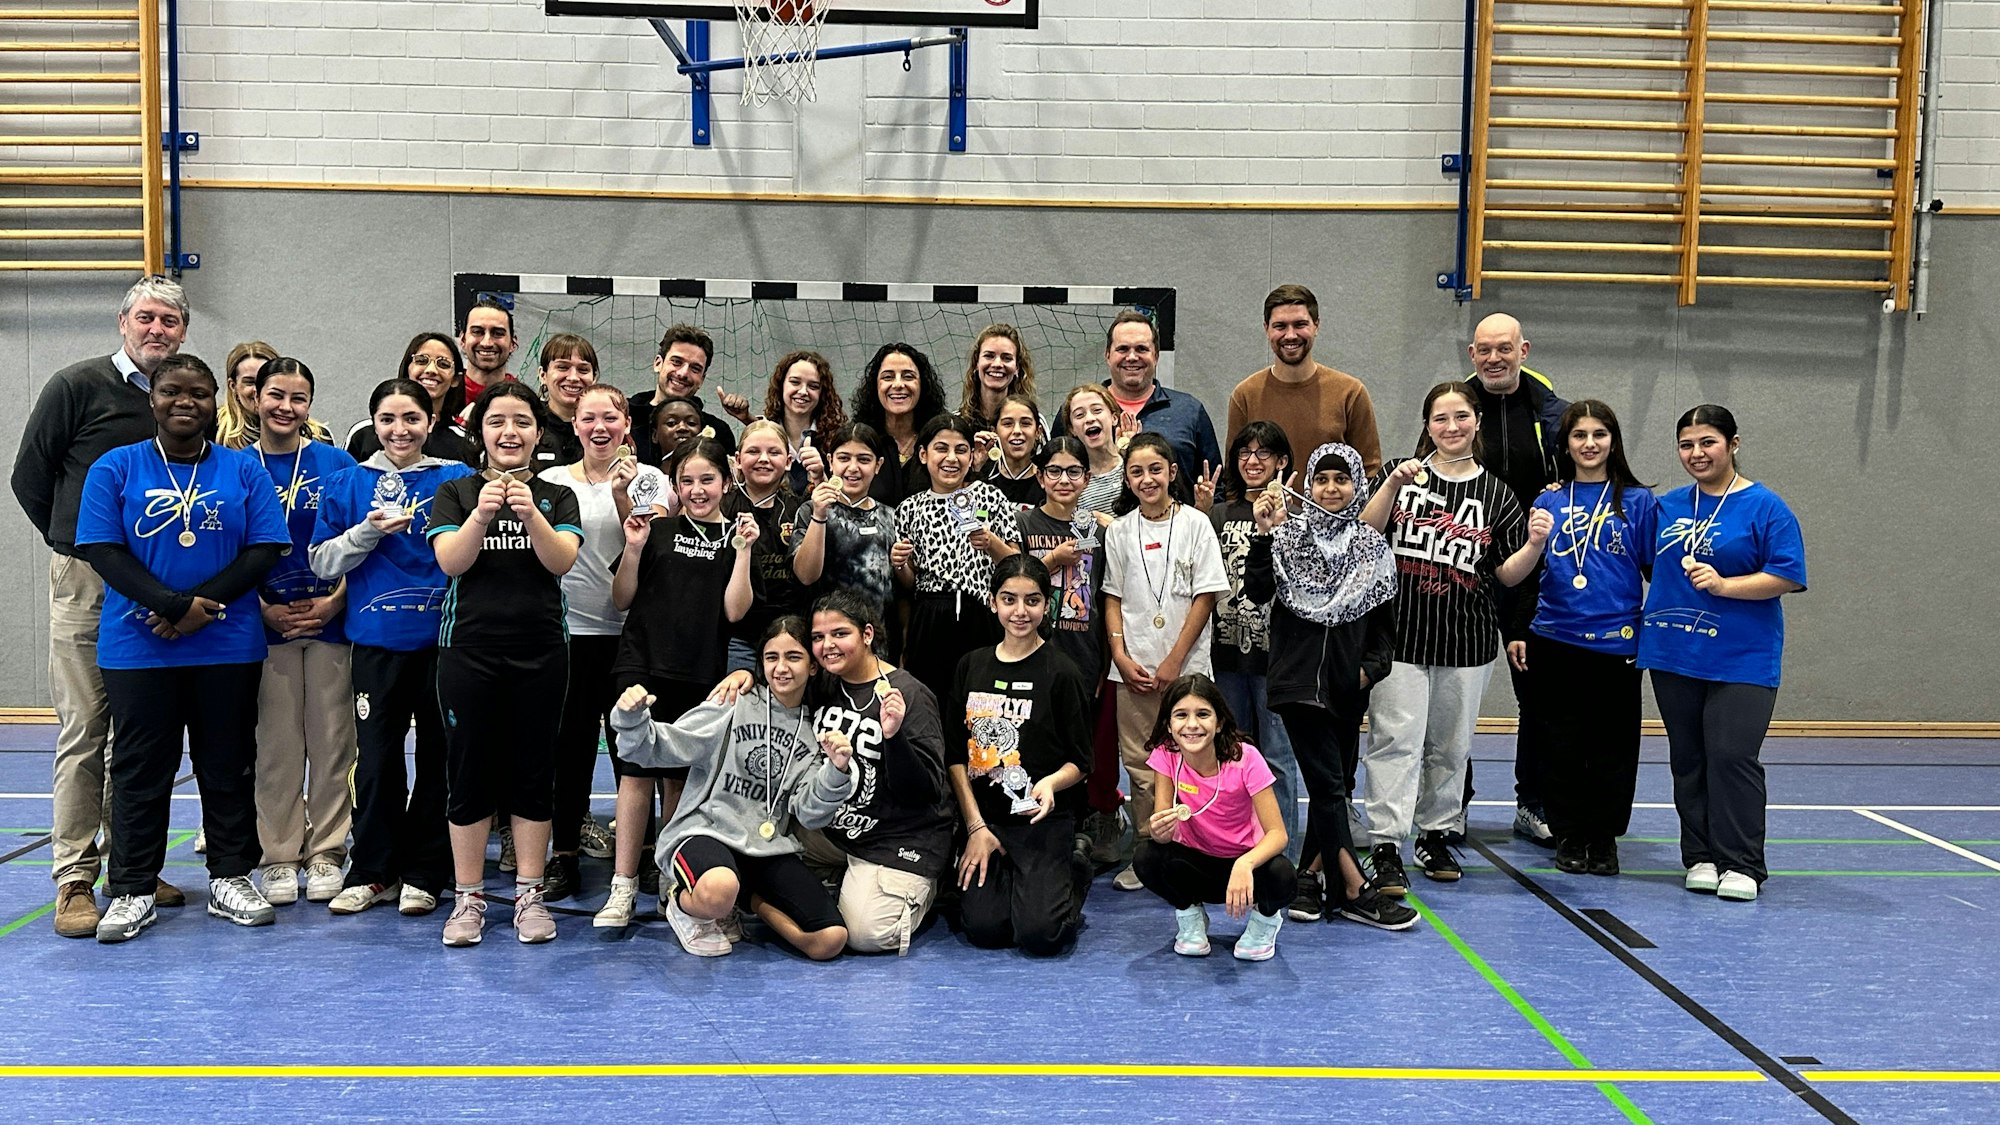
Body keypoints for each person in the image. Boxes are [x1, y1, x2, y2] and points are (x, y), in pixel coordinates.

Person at [73, 354, 291, 942]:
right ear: (153, 397)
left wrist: (198, 609)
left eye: (198, 392)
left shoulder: (243, 470)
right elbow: (103, 549)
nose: (184, 401)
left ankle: (229, 876)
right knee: (143, 768)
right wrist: (173, 608)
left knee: (227, 763)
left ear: (215, 399)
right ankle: (133, 887)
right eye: (172, 391)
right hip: (139, 645)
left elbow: (265, 548)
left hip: (226, 643)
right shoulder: (116, 467)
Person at [12, 274, 190, 936]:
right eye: (146, 318)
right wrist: (73, 545)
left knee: (139, 732)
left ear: (182, 332)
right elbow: (31, 478)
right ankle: (74, 878)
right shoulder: (75, 385)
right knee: (86, 727)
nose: (156, 331)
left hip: (157, 583)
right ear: (123, 323)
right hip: (88, 579)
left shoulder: (180, 396)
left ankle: (132, 869)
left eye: (169, 322)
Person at [1359, 383, 1543, 890]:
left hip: (1468, 642)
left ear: (1476, 421)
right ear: (1427, 425)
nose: (1451, 427)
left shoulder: (1497, 493)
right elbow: (1366, 534)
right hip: (1401, 637)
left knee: (1450, 745)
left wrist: (1533, 544)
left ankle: (1436, 832)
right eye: (1440, 419)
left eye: (1461, 417)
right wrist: (1391, 486)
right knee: (1395, 741)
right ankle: (1385, 842)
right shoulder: (1404, 474)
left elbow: (1507, 574)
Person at [428, 382, 584, 947]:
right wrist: (482, 514)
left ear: (538, 434)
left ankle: (529, 893)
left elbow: (560, 559)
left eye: (522, 422)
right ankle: (468, 897)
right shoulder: (455, 491)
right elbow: (451, 561)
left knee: (532, 774)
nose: (510, 432)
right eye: (497, 422)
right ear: (481, 434)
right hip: (468, 652)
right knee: (468, 773)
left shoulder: (557, 495)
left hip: (541, 652)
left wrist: (527, 511)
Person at [310, 378, 472, 918]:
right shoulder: (346, 484)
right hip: (376, 647)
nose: (399, 430)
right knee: (376, 760)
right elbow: (322, 562)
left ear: (430, 423)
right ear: (373, 424)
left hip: (443, 646)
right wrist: (367, 532)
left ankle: (426, 870)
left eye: (411, 419)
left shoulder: (456, 480)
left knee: (438, 759)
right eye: (388, 419)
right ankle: (373, 869)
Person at [610, 617, 857, 960]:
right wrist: (632, 719)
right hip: (706, 832)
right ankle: (682, 906)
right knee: (718, 891)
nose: (781, 668)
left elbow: (810, 814)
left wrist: (836, 770)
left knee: (830, 939)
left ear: (813, 667)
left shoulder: (813, 732)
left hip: (766, 847)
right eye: (772, 658)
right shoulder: (733, 702)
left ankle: (746, 900)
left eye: (793, 657)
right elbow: (660, 747)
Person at [1244, 442, 1415, 931]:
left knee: (1332, 786)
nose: (1332, 489)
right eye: (1322, 480)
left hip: (1346, 690)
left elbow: (1384, 628)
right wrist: (1264, 535)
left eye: (1342, 480)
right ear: (1309, 485)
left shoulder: (1370, 546)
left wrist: (1367, 672)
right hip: (1297, 687)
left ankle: (1309, 880)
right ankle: (1355, 889)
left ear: (1357, 486)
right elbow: (1257, 592)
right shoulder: (1288, 537)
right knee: (1329, 784)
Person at [1639, 405, 1805, 903]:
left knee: (1732, 756)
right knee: (1688, 759)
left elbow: (1788, 575)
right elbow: (1642, 558)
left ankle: (1743, 863)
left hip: (1743, 657)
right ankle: (1702, 856)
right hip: (1673, 652)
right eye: (1686, 445)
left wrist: (1726, 585)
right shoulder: (1666, 506)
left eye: (1707, 442)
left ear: (1733, 443)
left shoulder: (1765, 507)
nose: (1696, 453)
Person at [595, 436, 757, 928]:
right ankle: (622, 888)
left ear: (726, 483)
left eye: (707, 480)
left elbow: (735, 611)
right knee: (635, 775)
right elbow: (622, 599)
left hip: (700, 675)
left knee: (679, 782)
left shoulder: (736, 537)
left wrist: (745, 552)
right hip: (640, 666)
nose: (697, 489)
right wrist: (634, 547)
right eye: (686, 481)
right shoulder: (657, 531)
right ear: (673, 486)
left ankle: (670, 880)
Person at [1518, 401, 1658, 877]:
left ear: (1613, 441)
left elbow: (1655, 572)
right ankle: (1569, 834)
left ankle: (1604, 837)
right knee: (1560, 744)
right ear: (1567, 444)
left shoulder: (1638, 503)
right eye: (1580, 435)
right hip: (1554, 639)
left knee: (1612, 747)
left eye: (1600, 434)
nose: (1590, 443)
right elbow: (1528, 572)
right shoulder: (1548, 500)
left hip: (1615, 643)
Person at [539, 384, 668, 900]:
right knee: (567, 751)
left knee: (631, 753)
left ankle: (639, 856)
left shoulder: (651, 479)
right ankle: (564, 854)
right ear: (574, 424)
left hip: (629, 637)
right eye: (588, 417)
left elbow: (654, 549)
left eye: (610, 418)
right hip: (567, 633)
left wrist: (622, 497)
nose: (599, 427)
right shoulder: (549, 481)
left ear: (626, 426)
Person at [246, 357, 358, 907]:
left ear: (310, 405)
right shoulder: (235, 466)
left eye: (298, 398)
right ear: (254, 397)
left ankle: (328, 850)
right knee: (278, 746)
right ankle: (280, 855)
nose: (286, 408)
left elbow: (362, 541)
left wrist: (339, 598)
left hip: (332, 620)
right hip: (267, 624)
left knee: (334, 740)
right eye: (276, 395)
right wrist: (261, 607)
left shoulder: (337, 465)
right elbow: (228, 551)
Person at [948, 554, 1094, 956]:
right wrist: (975, 827)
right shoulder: (970, 666)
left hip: (1040, 820)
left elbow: (1081, 762)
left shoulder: (1063, 672)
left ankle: (1075, 868)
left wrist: (1050, 783)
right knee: (984, 930)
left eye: (1032, 600)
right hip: (986, 821)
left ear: (1047, 605)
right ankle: (1013, 878)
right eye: (1009, 599)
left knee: (1039, 935)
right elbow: (955, 757)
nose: (1020, 611)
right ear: (993, 602)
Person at [1464, 312, 1572, 847]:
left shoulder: (1551, 410)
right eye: (1484, 349)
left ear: (1523, 350)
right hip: (1467, 575)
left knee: (1541, 699)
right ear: (1472, 354)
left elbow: (1585, 471)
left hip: (1536, 575)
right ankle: (1449, 804)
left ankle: (1534, 803)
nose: (1494, 358)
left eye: (1503, 348)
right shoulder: (1455, 407)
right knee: (1454, 696)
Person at [1103, 432, 1230, 891]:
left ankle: (1196, 846)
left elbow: (1206, 595)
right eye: (1136, 471)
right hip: (1132, 668)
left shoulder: (1197, 524)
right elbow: (1112, 599)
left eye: (1155, 469)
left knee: (1192, 757)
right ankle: (1147, 850)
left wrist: (1176, 660)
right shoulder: (1119, 532)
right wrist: (1119, 653)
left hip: (1187, 669)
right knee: (1140, 764)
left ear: (1172, 472)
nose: (1146, 479)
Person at [1133, 674, 1297, 960]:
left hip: (1246, 868)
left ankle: (1264, 924)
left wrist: (1245, 863)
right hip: (1197, 864)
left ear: (1219, 722)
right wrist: (1158, 829)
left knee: (1283, 875)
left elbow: (1278, 834)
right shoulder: (1166, 755)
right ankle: (1191, 916)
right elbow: (1161, 830)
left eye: (1203, 714)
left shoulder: (1246, 758)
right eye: (1181, 715)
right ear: (1169, 726)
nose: (1192, 725)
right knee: (1146, 857)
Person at [1014, 437, 1119, 864]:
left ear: (1087, 478)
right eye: (1054, 471)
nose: (1063, 479)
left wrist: (1106, 659)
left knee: (1081, 744)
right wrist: (1052, 560)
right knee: (1037, 737)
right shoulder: (1023, 525)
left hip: (1083, 651)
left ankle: (1082, 824)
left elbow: (1109, 596)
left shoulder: (1099, 528)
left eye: (1073, 471)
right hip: (1035, 652)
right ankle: (1036, 821)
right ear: (1040, 476)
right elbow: (1013, 584)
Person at [1206, 422, 1302, 861]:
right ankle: (1234, 841)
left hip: (1276, 660)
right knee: (1231, 752)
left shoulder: (1296, 517)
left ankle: (1281, 855)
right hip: (1225, 657)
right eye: (1244, 452)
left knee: (1279, 757)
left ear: (1282, 462)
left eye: (1264, 453)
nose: (1253, 460)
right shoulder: (1218, 515)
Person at [891, 412, 1021, 706]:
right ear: (923, 455)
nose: (951, 458)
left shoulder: (991, 496)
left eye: (961, 449)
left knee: (983, 703)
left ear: (972, 455)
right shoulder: (909, 508)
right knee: (932, 702)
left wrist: (992, 544)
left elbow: (1016, 564)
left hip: (981, 613)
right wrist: (900, 564)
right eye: (941, 448)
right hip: (930, 615)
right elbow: (911, 583)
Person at [1224, 284, 1381, 476]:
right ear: (1266, 329)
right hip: (1262, 507)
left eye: (1300, 325)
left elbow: (1370, 472)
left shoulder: (1350, 393)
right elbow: (1233, 476)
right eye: (1280, 326)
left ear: (1316, 325)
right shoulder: (1245, 395)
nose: (1290, 335)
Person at [1059, 310, 1219, 493]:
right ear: (1107, 355)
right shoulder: (1076, 412)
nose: (1132, 357)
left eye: (1142, 349)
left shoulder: (1189, 410)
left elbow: (1217, 487)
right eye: (1123, 349)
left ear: (1156, 356)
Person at [723, 420, 829, 673]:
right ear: (737, 460)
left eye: (774, 452)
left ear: (789, 462)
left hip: (792, 634)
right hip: (738, 637)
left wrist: (821, 478)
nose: (763, 459)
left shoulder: (800, 509)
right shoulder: (723, 508)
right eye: (753, 452)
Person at [346, 333, 477, 465]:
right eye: (421, 360)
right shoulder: (362, 434)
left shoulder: (466, 442)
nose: (431, 370)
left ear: (456, 379)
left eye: (443, 364)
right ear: (407, 368)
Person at [816, 423, 899, 627]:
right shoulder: (812, 510)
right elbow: (805, 576)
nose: (853, 468)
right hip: (826, 629)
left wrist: (901, 562)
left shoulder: (891, 517)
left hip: (879, 631)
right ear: (830, 461)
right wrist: (819, 514)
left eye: (864, 459)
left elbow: (902, 586)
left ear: (878, 465)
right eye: (844, 458)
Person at [630, 325, 743, 465]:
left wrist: (747, 420)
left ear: (702, 379)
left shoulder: (718, 432)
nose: (683, 373)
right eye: (676, 362)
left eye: (695, 368)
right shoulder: (622, 419)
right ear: (658, 363)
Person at [853, 342, 948, 506]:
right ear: (875, 385)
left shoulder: (941, 440)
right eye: (888, 377)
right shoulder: (858, 441)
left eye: (908, 376)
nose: (898, 385)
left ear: (922, 384)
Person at [761, 349, 844, 494]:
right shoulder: (762, 434)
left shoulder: (837, 440)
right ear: (781, 385)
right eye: (795, 382)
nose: (803, 391)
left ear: (822, 393)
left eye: (813, 386)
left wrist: (821, 477)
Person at [1060, 383, 1133, 519]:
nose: (1089, 419)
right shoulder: (1072, 480)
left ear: (1114, 417)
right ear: (1072, 429)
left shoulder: (1133, 467)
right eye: (1079, 415)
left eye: (1097, 410)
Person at [531, 333, 598, 466]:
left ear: (594, 378)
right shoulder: (528, 423)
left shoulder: (606, 426)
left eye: (583, 370)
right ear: (543, 375)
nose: (573, 377)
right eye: (562, 367)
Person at [957, 324, 1037, 430]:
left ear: (1017, 367)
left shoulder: (1033, 423)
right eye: (989, 356)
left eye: (1007, 358)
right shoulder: (958, 423)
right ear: (976, 362)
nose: (997, 364)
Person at [979, 393, 1046, 506]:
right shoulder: (982, 478)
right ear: (994, 431)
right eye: (1008, 423)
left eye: (1025, 423)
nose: (1017, 431)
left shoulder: (1047, 481)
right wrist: (976, 467)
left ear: (1038, 432)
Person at [457, 297, 519, 413]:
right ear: (462, 339)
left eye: (498, 333)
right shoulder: (445, 395)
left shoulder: (524, 401)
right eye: (477, 332)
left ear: (513, 343)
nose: (487, 343)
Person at [217, 340, 276, 450]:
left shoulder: (310, 434)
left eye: (266, 381)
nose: (259, 390)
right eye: (250, 382)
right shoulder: (212, 431)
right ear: (233, 386)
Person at [647, 393, 707, 470]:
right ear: (655, 435)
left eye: (691, 423)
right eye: (671, 423)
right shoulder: (642, 478)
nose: (682, 428)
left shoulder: (717, 477)